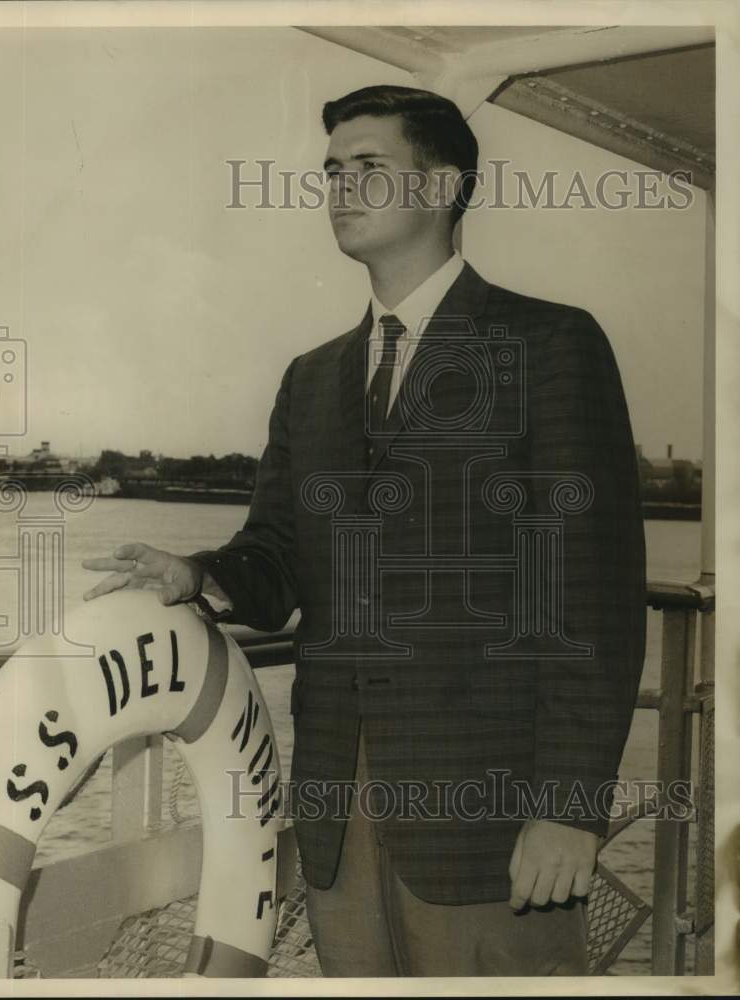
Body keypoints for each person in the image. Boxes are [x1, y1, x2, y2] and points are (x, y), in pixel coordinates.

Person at [83, 85, 647, 977]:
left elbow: (595, 597)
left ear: (440, 187)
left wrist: (569, 808)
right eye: (332, 172)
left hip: (491, 817)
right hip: (339, 811)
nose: (341, 190)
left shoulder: (551, 346)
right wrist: (194, 574)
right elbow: (277, 559)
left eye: (370, 169)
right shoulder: (313, 380)